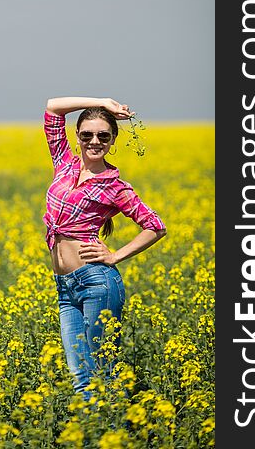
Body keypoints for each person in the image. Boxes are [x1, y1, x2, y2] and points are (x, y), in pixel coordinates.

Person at [43, 97, 166, 402]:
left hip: (97, 283)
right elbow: (53, 107)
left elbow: (155, 226)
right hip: (65, 288)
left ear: (113, 140)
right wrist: (102, 103)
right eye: (86, 135)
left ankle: (117, 435)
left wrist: (114, 257)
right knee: (80, 378)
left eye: (103, 136)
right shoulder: (64, 163)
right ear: (78, 137)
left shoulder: (115, 186)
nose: (94, 141)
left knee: (101, 372)